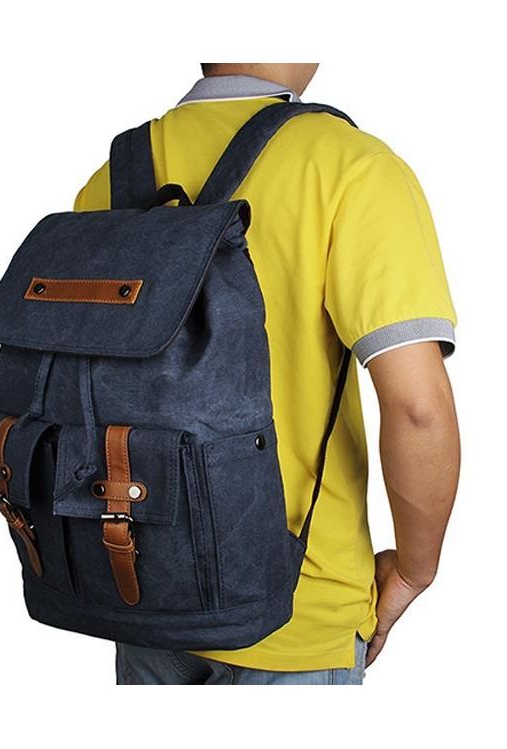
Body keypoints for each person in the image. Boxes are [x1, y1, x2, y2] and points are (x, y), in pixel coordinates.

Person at [74, 63, 460, 685]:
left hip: (139, 583)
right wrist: (415, 569)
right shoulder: (347, 165)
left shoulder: (111, 177)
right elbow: (419, 408)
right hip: (297, 606)